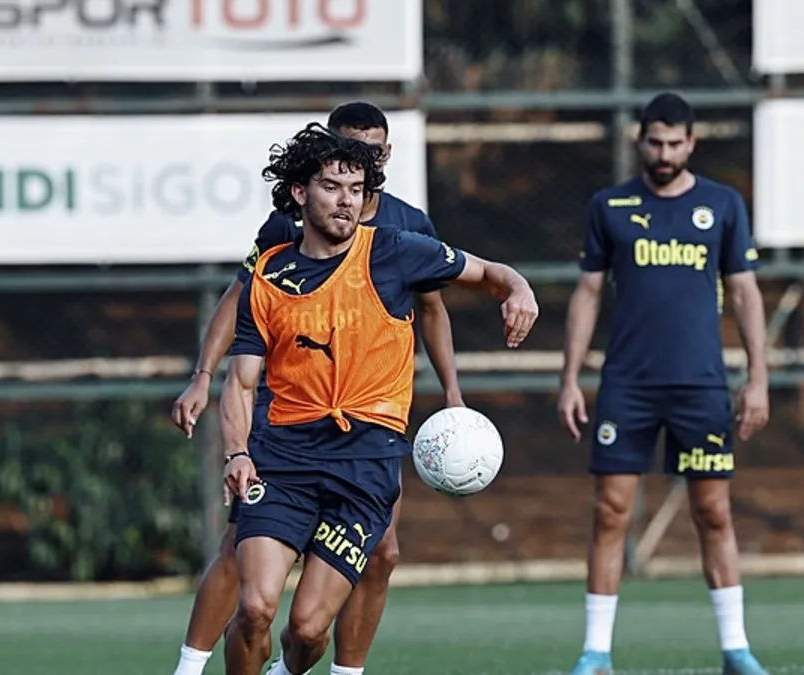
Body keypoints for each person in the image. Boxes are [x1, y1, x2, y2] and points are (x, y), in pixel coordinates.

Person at [221, 122, 537, 675]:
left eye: (356, 189)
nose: (347, 201)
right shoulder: (269, 276)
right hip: (283, 460)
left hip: (364, 468)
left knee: (307, 630)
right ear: (300, 192)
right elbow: (242, 382)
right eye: (331, 187)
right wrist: (237, 452)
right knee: (254, 609)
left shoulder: (395, 250)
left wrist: (519, 289)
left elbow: (489, 272)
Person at [170, 101, 463, 675]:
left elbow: (433, 308)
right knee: (246, 552)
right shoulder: (289, 226)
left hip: (367, 421)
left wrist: (453, 394)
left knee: (382, 552)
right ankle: (190, 666)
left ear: (385, 156)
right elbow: (241, 297)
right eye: (341, 155)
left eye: (368, 155)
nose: (354, 169)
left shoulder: (406, 229)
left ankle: (341, 670)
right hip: (289, 414)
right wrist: (204, 376)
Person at [558, 93, 769, 675]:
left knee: (714, 511)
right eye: (655, 142)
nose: (664, 154)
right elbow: (588, 292)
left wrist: (758, 378)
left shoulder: (722, 205)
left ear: (691, 143)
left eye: (675, 143)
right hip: (628, 384)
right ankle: (596, 652)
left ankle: (736, 649)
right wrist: (570, 378)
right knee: (610, 511)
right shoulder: (610, 206)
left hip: (701, 386)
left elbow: (745, 292)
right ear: (640, 141)